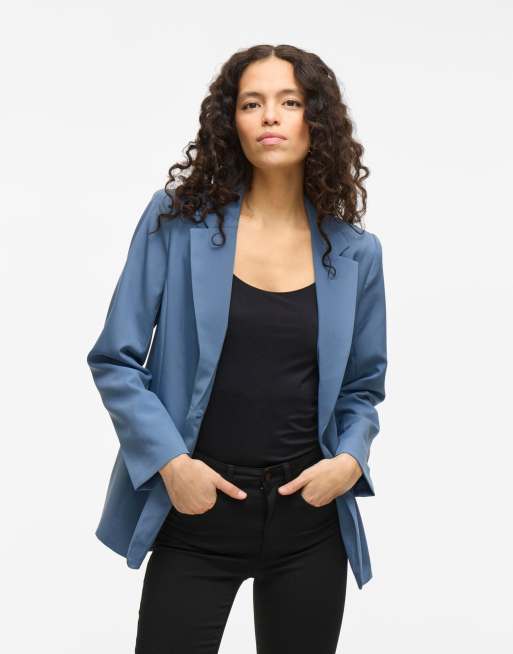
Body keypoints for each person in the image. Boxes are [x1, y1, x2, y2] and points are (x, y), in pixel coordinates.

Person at [87, 44, 387, 654]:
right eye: (252, 103)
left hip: (309, 518)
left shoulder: (356, 252)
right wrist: (173, 467)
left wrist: (349, 462)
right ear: (232, 122)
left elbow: (362, 387)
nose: (270, 116)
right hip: (197, 507)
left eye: (290, 102)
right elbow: (115, 359)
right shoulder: (176, 222)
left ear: (317, 121)